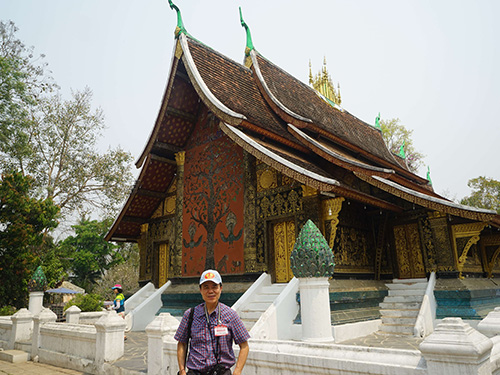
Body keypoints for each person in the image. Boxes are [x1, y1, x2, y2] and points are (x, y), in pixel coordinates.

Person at [175, 270, 250, 375]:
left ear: (221, 288)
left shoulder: (230, 315)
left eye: (214, 286)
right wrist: (182, 370)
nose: (210, 291)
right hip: (196, 372)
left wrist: (237, 371)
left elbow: (244, 346)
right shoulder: (190, 315)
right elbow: (182, 343)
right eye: (206, 287)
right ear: (200, 290)